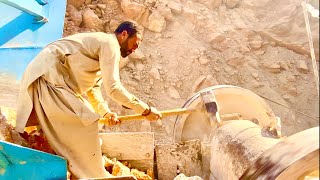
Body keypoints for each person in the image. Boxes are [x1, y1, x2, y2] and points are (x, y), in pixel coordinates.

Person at [15, 21, 162, 179]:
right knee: (85, 122)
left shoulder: (104, 47)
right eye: (135, 43)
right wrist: (145, 110)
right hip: (48, 78)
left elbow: (93, 88)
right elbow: (113, 88)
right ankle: (92, 175)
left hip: (56, 82)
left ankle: (81, 170)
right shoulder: (110, 44)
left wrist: (105, 113)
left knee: (88, 118)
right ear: (124, 34)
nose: (135, 49)